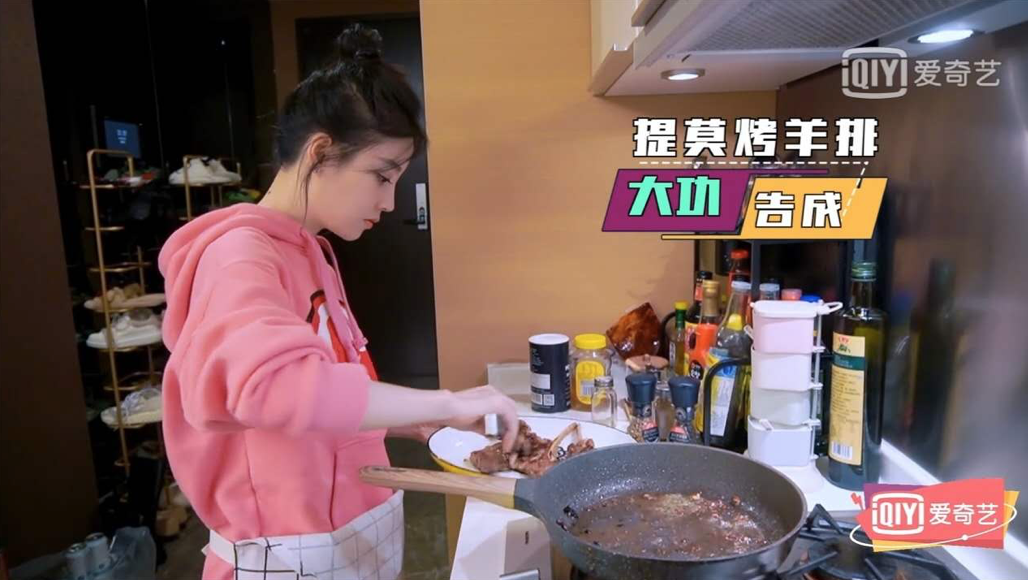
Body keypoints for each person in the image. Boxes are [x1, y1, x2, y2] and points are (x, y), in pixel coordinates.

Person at [158, 24, 519, 580]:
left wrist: (413, 420)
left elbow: (322, 396)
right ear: (320, 152)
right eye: (381, 176)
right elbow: (273, 390)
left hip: (344, 534)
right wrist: (447, 402)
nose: (389, 202)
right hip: (284, 554)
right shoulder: (238, 255)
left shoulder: (312, 251)